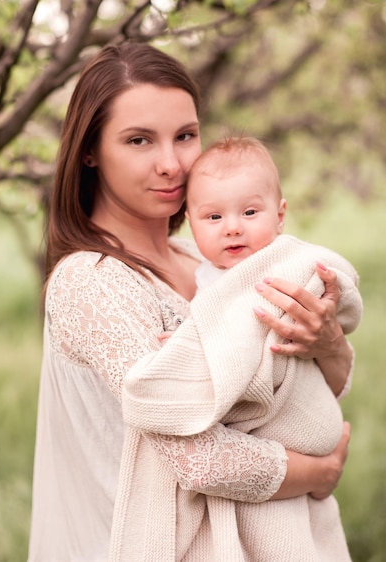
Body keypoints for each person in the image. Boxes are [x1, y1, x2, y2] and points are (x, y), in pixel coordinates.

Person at [28, 42, 356, 562]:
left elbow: (297, 397)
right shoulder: (91, 282)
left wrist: (329, 340)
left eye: (185, 136)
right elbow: (200, 460)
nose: (171, 164)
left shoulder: (213, 265)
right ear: (89, 151)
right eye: (139, 140)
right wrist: (320, 472)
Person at [133, 134, 362, 559]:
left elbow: (251, 336)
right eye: (214, 216)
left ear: (280, 215)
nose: (233, 226)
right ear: (190, 221)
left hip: (295, 420)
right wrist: (188, 347)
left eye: (250, 212)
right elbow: (214, 333)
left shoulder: (280, 267)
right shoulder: (206, 278)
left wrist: (196, 351)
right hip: (261, 459)